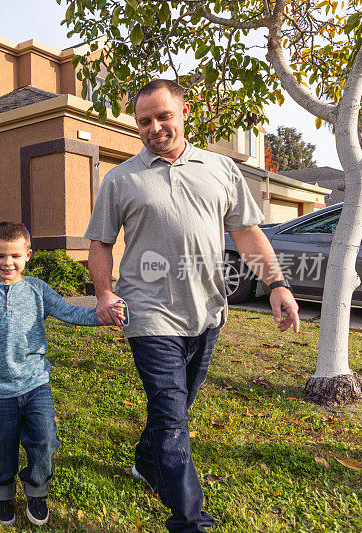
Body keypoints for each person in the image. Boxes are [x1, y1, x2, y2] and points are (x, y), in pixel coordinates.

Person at [85, 79, 300, 532]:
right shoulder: (121, 179)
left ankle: (146, 462)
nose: (154, 127)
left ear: (184, 112)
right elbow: (100, 243)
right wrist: (105, 292)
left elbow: (246, 233)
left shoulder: (221, 168)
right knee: (171, 417)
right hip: (148, 315)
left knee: (176, 411)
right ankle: (189, 521)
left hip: (207, 313)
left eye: (163, 116)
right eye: (144, 121)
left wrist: (276, 284)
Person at [0, 222, 127, 527]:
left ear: (28, 255)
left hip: (35, 384)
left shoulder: (37, 289)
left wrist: (102, 316)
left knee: (44, 439)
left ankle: (36, 490)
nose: (8, 262)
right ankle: (2, 495)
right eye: (1, 256)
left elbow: (70, 312)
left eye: (16, 256)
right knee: (1, 446)